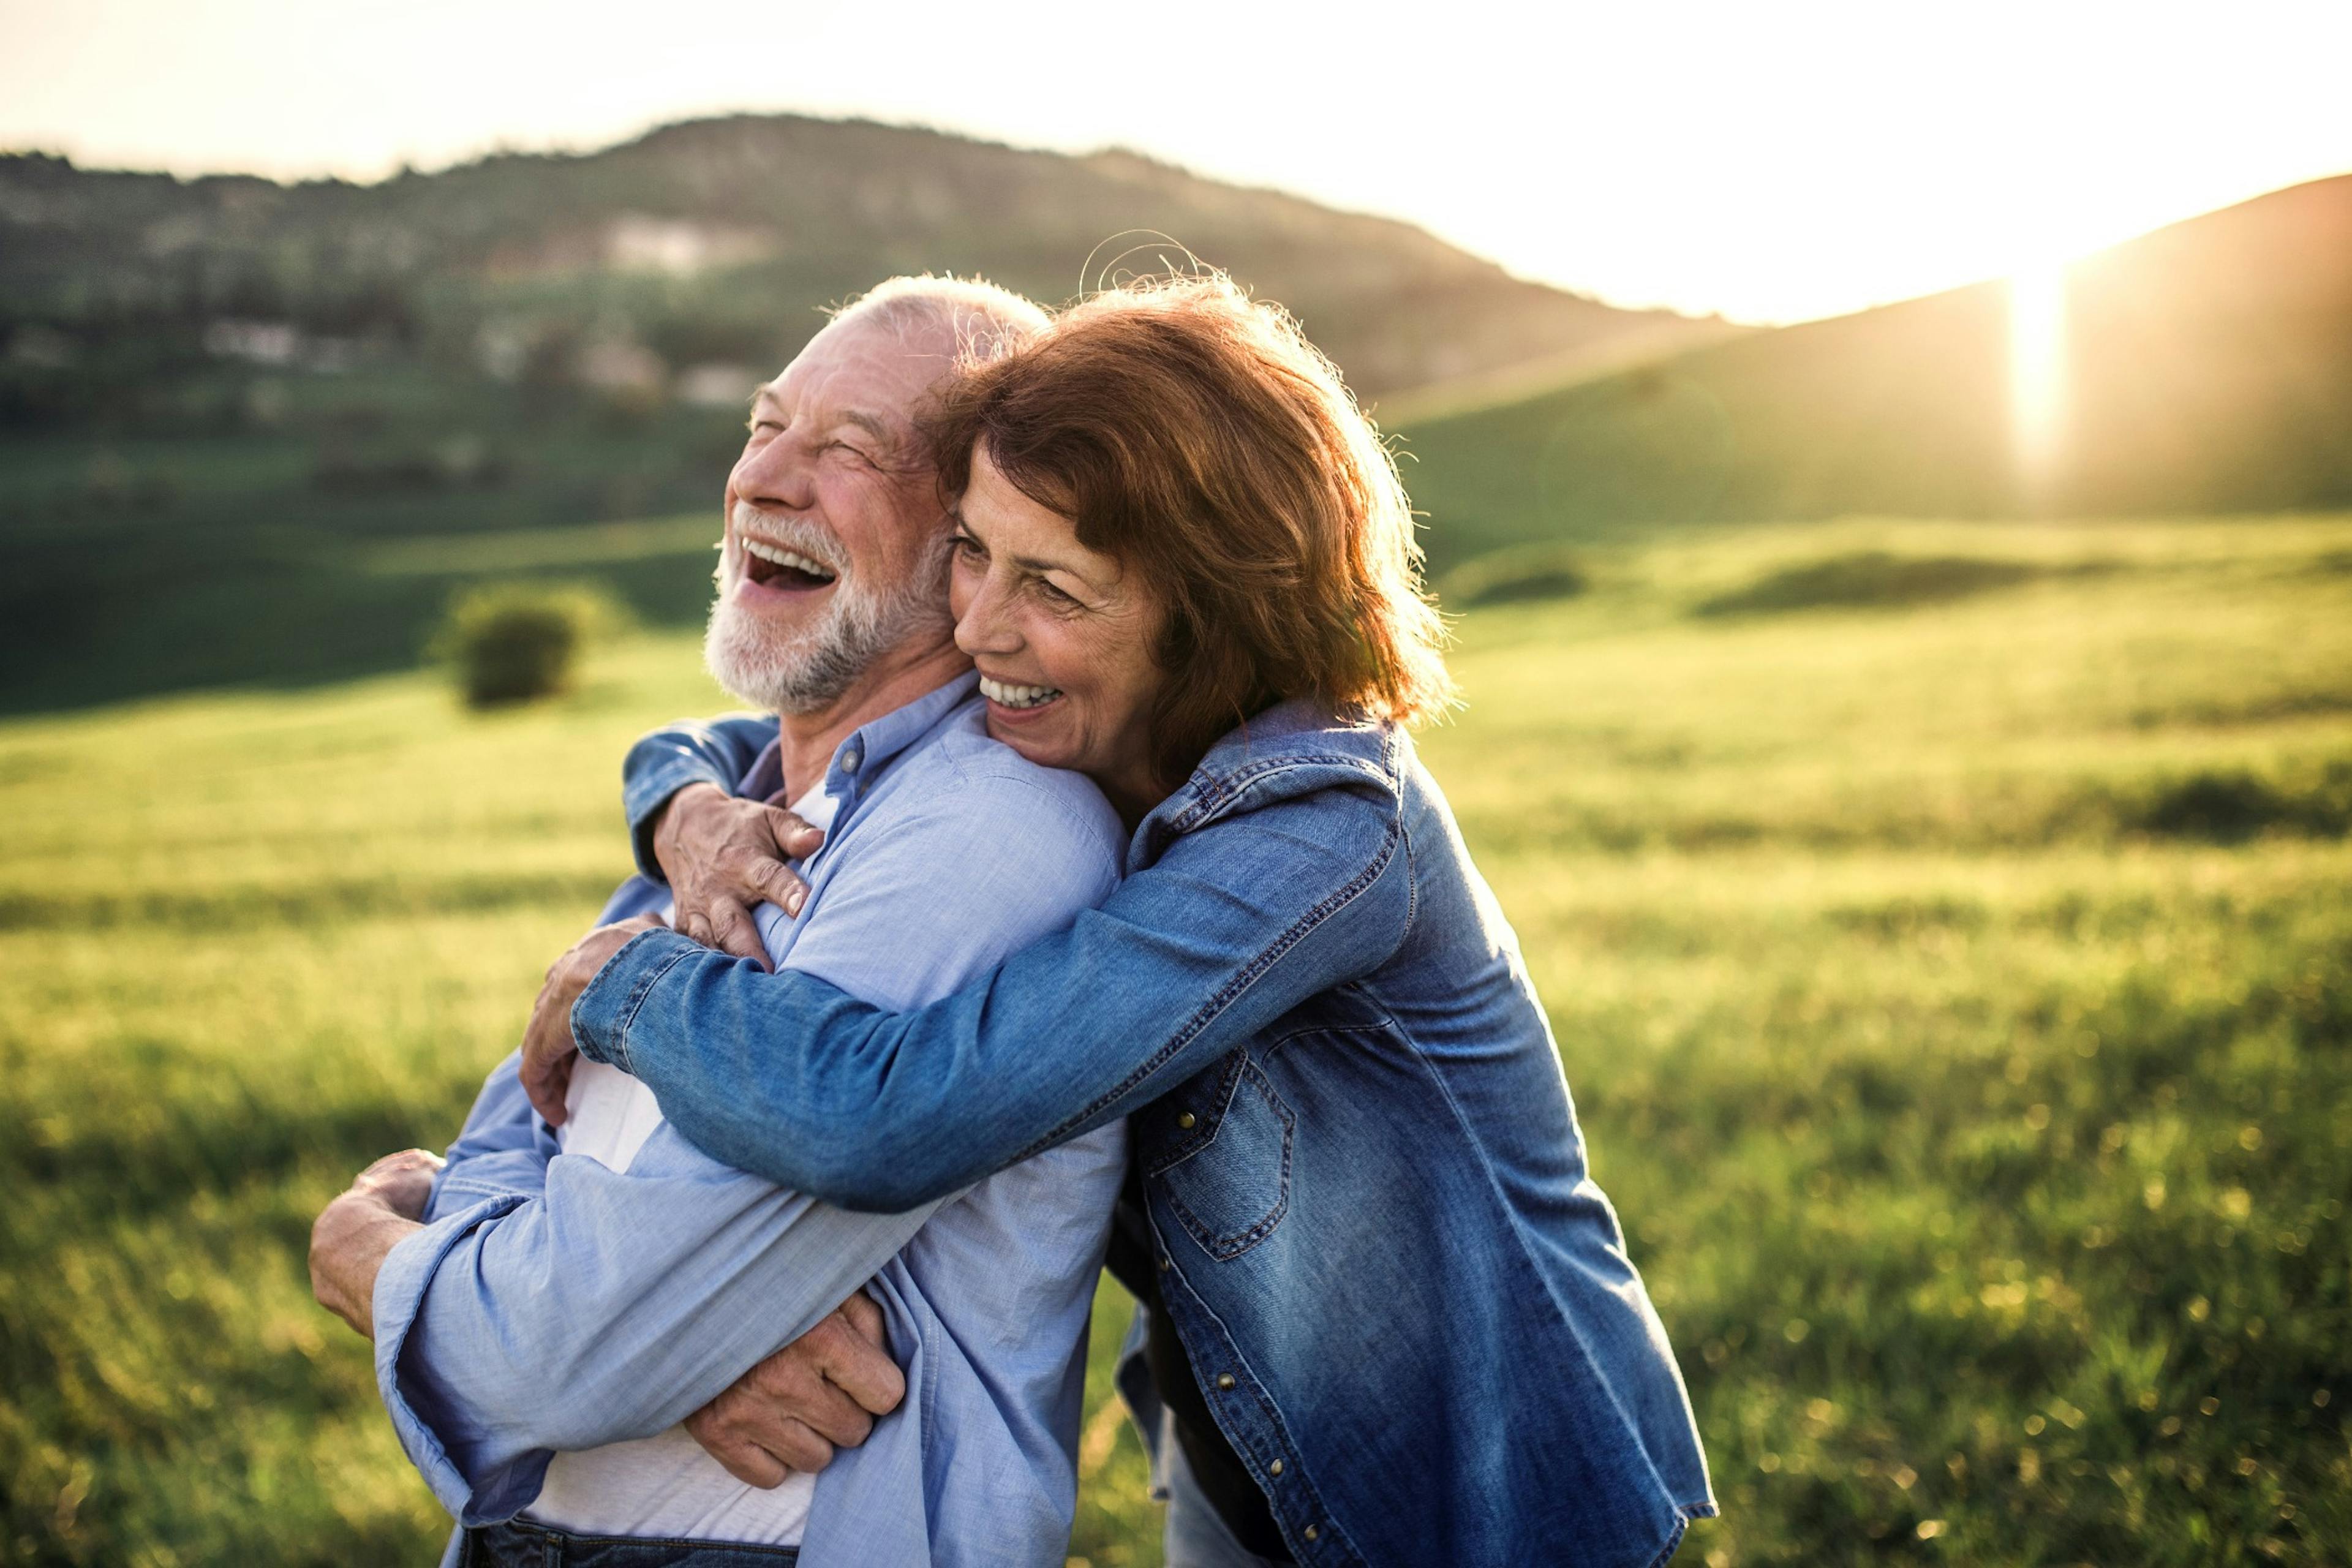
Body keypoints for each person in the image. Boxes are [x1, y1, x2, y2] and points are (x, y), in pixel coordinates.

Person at [522, 274, 1717, 1567]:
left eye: (1056, 587)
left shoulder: (1323, 833)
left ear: (1210, 615)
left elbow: (899, 1113)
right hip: (1245, 1451)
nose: (979, 624)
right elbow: (737, 736)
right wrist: (687, 811)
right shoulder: (1096, 723)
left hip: (1481, 1495)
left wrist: (626, 983)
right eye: (975, 548)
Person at [307, 276, 1135, 1568]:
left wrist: (363, 1246)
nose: (768, 479)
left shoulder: (987, 833)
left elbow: (562, 1351)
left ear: (970, 544)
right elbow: (513, 1152)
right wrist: (661, 1344)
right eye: (766, 425)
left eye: (851, 450)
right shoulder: (725, 821)